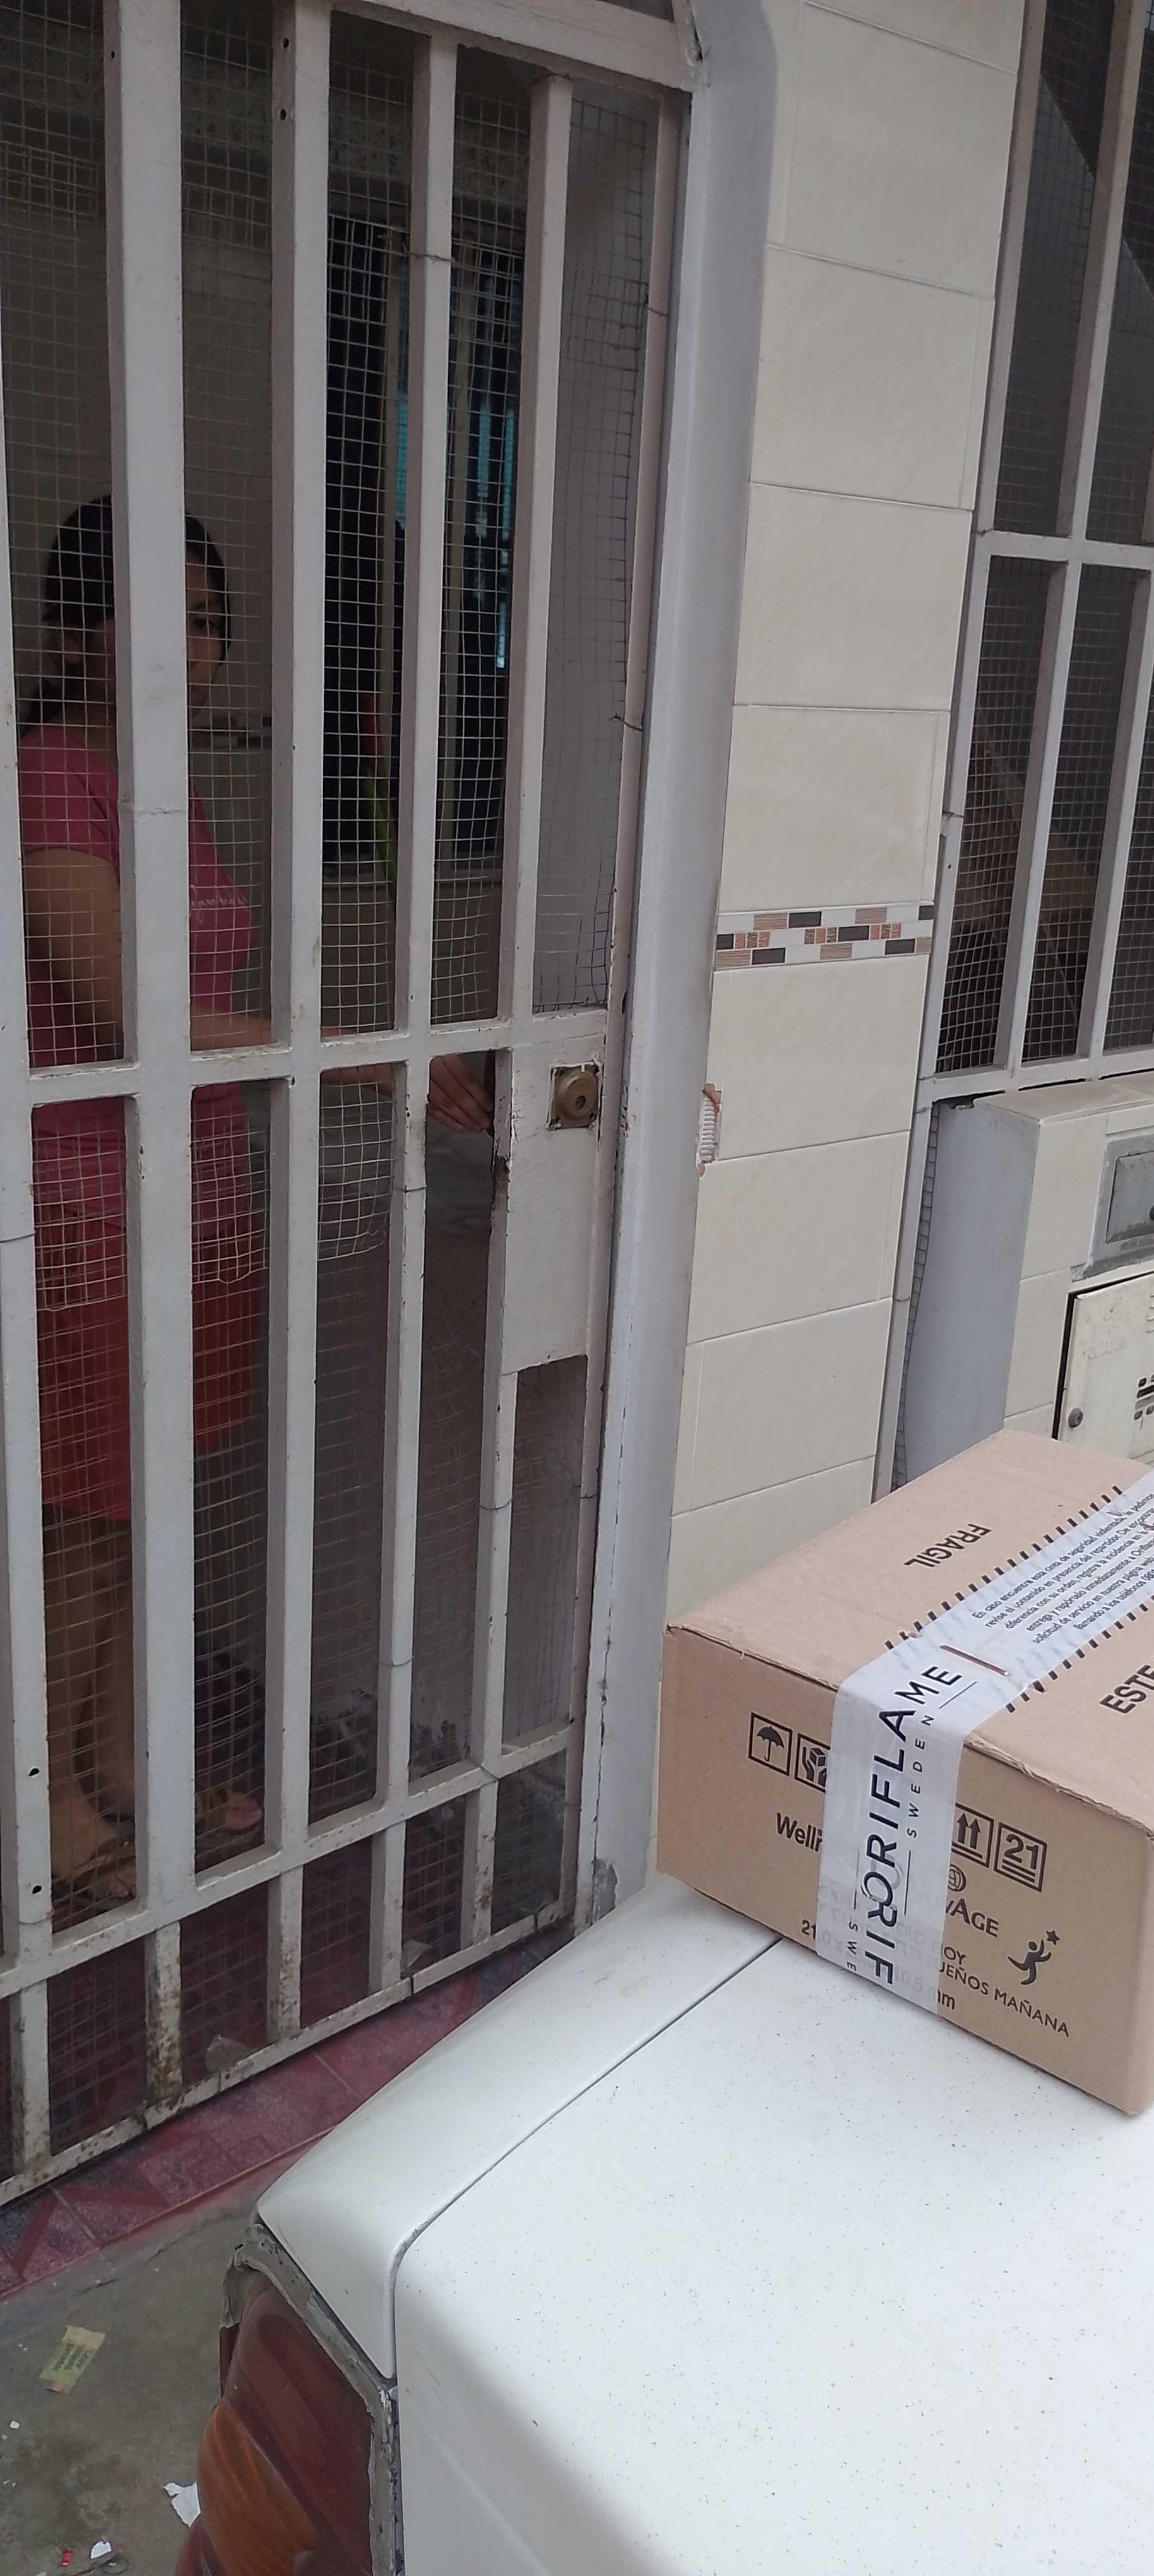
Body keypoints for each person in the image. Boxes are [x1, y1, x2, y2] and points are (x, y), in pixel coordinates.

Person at [20, 496, 491, 1905]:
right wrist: (368, 1057)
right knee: (81, 1517)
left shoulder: (162, 784)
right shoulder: (54, 775)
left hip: (195, 1195)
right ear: (79, 633)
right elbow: (130, 1014)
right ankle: (46, 1815)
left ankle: (119, 1768)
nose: (191, 649)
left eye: (207, 621)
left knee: (149, 1499)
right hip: (90, 1202)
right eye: (156, 618)